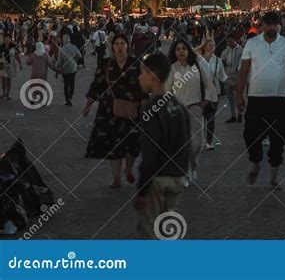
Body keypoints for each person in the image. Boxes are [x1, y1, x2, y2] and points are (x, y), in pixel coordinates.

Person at [236, 11, 285, 189]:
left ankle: (273, 177)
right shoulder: (252, 44)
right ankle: (255, 162)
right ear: (262, 25)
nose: (271, 28)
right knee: (250, 135)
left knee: (280, 137)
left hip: (280, 99)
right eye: (267, 25)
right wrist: (239, 95)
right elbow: (243, 72)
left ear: (279, 26)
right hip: (256, 99)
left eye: (274, 25)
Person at [134, 52, 191, 239]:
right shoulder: (178, 106)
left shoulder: (151, 110)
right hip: (177, 176)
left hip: (158, 179)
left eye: (142, 73)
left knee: (150, 233)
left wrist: (142, 190)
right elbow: (186, 143)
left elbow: (150, 154)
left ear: (152, 76)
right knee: (167, 230)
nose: (139, 78)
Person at [83, 34, 142, 187]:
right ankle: (116, 179)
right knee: (113, 145)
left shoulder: (136, 63)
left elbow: (143, 86)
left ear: (128, 45)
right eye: (117, 44)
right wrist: (88, 104)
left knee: (133, 143)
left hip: (132, 108)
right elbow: (97, 84)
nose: (120, 46)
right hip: (109, 110)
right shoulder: (105, 63)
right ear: (112, 46)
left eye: (123, 43)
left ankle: (128, 168)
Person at [166, 39, 216, 185]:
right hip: (178, 110)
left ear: (188, 51)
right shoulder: (172, 69)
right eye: (178, 49)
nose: (181, 51)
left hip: (195, 108)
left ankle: (193, 164)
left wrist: (206, 101)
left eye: (184, 48)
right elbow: (166, 90)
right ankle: (185, 172)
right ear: (174, 52)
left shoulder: (197, 67)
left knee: (197, 143)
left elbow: (208, 84)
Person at [197, 38, 227, 150]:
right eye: (210, 45)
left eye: (213, 45)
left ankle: (209, 141)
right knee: (201, 118)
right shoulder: (198, 60)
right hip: (201, 92)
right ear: (204, 47)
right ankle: (201, 141)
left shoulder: (218, 61)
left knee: (210, 117)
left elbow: (222, 76)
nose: (212, 48)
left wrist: (234, 84)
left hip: (215, 92)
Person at [221, 35, 243, 122]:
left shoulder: (241, 50)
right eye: (228, 42)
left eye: (231, 41)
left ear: (235, 40)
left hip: (238, 76)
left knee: (239, 96)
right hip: (228, 76)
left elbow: (243, 62)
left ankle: (240, 113)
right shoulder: (226, 50)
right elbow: (223, 60)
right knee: (230, 97)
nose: (229, 43)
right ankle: (233, 115)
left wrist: (238, 69)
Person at [56, 34, 82, 105]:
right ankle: (70, 97)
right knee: (72, 83)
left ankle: (67, 99)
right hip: (73, 68)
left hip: (65, 69)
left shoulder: (62, 49)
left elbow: (59, 61)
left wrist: (58, 68)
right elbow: (79, 56)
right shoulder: (74, 47)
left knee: (66, 84)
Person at [0, 34, 22, 99]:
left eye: (8, 38)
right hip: (2, 65)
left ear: (10, 39)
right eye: (6, 38)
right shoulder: (1, 46)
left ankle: (8, 94)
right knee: (3, 79)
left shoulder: (14, 46)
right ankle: (3, 93)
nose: (7, 40)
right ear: (4, 39)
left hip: (11, 65)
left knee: (9, 79)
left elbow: (17, 55)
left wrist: (20, 64)